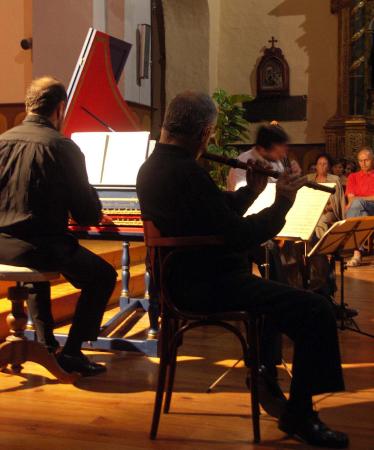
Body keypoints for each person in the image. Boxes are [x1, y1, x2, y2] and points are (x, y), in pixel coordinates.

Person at [137, 91, 348, 448]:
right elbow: (238, 235)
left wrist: (251, 191)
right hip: (204, 285)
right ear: (205, 133)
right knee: (316, 309)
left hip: (185, 278)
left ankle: (264, 371)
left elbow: (217, 212)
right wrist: (282, 202)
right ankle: (300, 415)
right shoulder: (186, 171)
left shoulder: (157, 166)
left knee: (274, 283)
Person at [0, 76, 117, 376]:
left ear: (28, 106)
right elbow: (88, 215)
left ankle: (46, 343)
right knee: (103, 276)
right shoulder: (63, 147)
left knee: (38, 257)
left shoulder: (1, 142)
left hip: (1, 246)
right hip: (39, 249)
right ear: (60, 109)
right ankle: (73, 352)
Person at [345, 147, 374, 267]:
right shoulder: (353, 177)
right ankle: (357, 253)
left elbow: (355, 200)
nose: (363, 163)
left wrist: (360, 199)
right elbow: (351, 199)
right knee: (361, 213)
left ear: (372, 160)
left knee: (357, 205)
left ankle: (356, 253)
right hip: (359, 211)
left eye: (366, 160)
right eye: (360, 160)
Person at [307, 153, 345, 239]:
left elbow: (337, 202)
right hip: (311, 211)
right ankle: (308, 249)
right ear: (316, 166)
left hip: (328, 211)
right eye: (319, 164)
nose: (322, 166)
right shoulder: (309, 179)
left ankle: (324, 249)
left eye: (324, 164)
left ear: (328, 167)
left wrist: (325, 208)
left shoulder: (334, 179)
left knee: (320, 222)